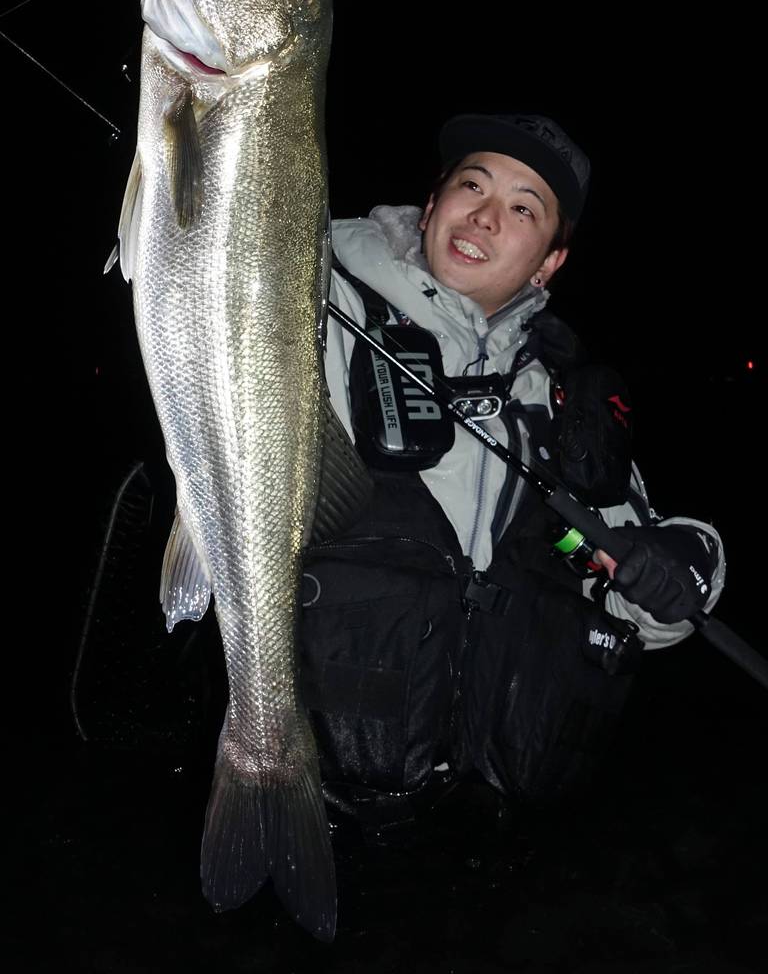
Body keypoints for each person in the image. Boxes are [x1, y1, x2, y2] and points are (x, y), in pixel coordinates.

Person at [299, 112, 725, 831]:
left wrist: (675, 566)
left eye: (524, 208)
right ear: (432, 204)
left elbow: (644, 588)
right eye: (472, 185)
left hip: (487, 849)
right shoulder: (310, 304)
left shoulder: (559, 399)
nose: (485, 216)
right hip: (312, 797)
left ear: (549, 262)